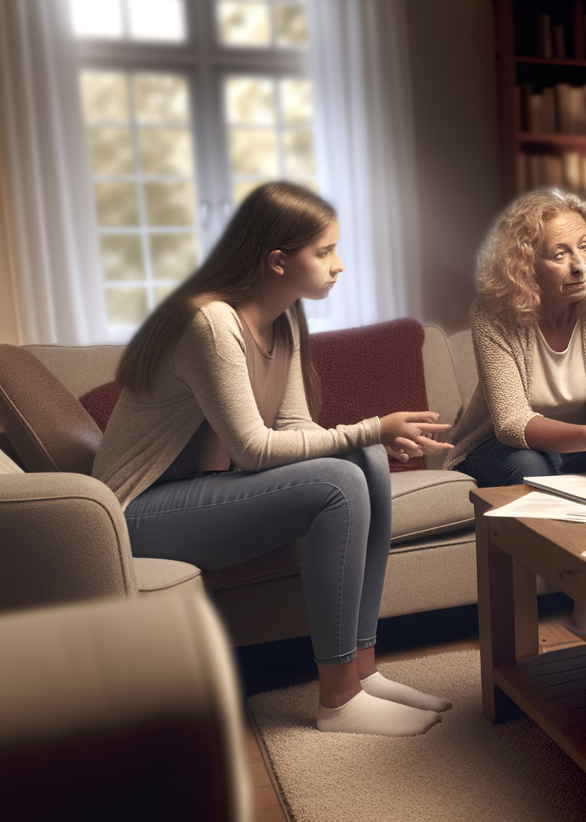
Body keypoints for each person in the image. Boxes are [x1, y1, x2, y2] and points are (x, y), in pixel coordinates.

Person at [93, 183, 455, 737]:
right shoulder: (211, 323)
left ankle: (363, 671)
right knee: (340, 481)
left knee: (366, 460)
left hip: (195, 495)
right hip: (135, 515)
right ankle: (338, 701)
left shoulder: (283, 319)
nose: (339, 265)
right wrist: (372, 426)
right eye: (324, 252)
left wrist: (370, 441)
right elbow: (253, 449)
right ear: (278, 261)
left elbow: (293, 429)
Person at [443, 187, 586, 637]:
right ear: (525, 265)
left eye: (584, 247)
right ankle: (582, 595)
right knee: (530, 466)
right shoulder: (493, 313)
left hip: (575, 446)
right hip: (495, 446)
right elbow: (511, 424)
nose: (580, 264)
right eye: (560, 254)